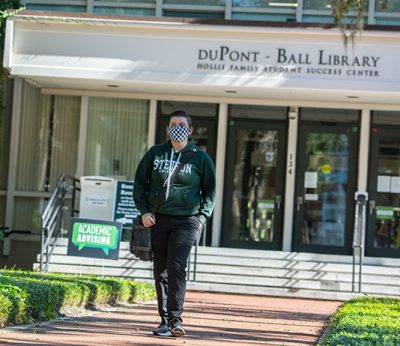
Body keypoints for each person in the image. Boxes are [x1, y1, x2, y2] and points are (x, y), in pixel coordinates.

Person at [133, 110, 216, 337]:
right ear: (168, 128)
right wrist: (144, 211)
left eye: (181, 124)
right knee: (160, 271)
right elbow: (140, 183)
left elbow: (210, 191)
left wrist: (201, 218)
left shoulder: (200, 158)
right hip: (158, 219)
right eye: (173, 124)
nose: (176, 127)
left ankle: (176, 320)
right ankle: (165, 321)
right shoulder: (156, 154)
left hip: (187, 221)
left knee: (177, 266)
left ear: (190, 130)